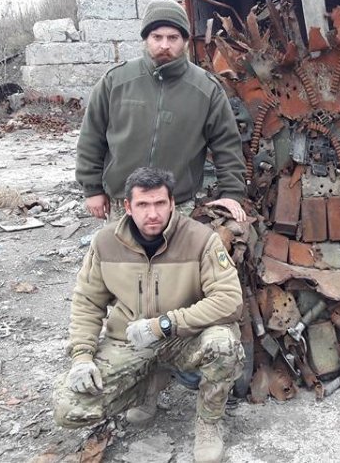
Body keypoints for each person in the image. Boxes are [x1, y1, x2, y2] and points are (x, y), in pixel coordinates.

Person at [52, 167, 245, 463]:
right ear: (128, 207)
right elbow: (87, 302)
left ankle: (208, 422)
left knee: (223, 344)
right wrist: (81, 356)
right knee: (69, 409)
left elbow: (229, 300)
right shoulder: (105, 243)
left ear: (172, 204)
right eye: (143, 204)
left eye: (160, 204)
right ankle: (148, 387)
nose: (152, 213)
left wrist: (165, 324)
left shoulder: (200, 239)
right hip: (131, 340)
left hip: (184, 337)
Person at [76, 0, 247, 222]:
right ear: (146, 39)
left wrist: (231, 194)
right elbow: (91, 137)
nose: (165, 45)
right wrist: (92, 189)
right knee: (119, 247)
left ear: (185, 41)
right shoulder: (115, 81)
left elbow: (227, 145)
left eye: (173, 38)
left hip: (178, 205)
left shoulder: (206, 89)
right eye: (157, 37)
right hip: (124, 203)